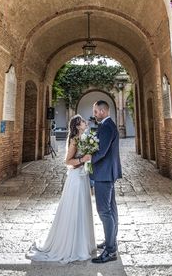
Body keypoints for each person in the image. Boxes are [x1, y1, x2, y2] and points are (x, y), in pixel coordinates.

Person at [25, 115, 95, 263]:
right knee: (75, 209)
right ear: (77, 126)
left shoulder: (85, 138)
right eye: (82, 121)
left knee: (83, 208)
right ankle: (72, 246)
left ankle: (82, 244)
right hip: (76, 179)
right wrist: (83, 159)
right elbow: (67, 161)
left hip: (84, 177)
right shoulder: (75, 140)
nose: (85, 122)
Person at [81, 100, 122, 263]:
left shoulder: (106, 127)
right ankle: (110, 241)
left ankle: (111, 251)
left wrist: (87, 159)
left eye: (96, 111)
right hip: (107, 173)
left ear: (103, 111)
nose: (95, 114)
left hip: (104, 174)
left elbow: (102, 151)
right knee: (111, 209)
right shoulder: (108, 125)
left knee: (104, 211)